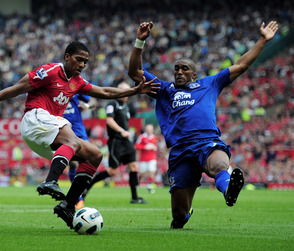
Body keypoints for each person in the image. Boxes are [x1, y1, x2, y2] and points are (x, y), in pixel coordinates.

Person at [0, 41, 160, 229]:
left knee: (94, 155)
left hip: (45, 133)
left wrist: (135, 91)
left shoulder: (77, 82)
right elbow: (17, 88)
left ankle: (68, 205)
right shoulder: (49, 71)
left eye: (86, 62)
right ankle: (51, 181)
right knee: (72, 137)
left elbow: (105, 92)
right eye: (79, 59)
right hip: (35, 118)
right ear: (67, 57)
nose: (82, 64)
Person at [128, 21, 278, 228]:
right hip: (180, 151)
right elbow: (135, 73)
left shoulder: (210, 83)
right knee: (179, 217)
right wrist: (140, 41)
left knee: (219, 165)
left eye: (185, 69)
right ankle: (186, 212)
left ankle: (228, 190)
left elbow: (241, 65)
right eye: (177, 69)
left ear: (194, 74)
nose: (179, 72)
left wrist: (262, 40)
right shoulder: (165, 89)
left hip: (206, 141)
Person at [82, 81, 148, 204]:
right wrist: (122, 131)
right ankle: (87, 187)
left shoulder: (127, 106)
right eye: (123, 91)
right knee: (113, 171)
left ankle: (135, 197)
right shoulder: (112, 104)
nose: (125, 94)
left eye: (127, 91)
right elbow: (109, 120)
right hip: (116, 141)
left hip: (126, 142)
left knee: (134, 166)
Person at [63, 93, 96, 209]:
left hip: (80, 131)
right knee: (73, 163)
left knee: (87, 162)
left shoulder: (75, 88)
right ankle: (78, 198)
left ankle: (78, 194)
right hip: (64, 132)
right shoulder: (55, 90)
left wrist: (87, 105)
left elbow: (93, 101)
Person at [135, 124, 158, 193]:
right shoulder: (141, 137)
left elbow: (156, 147)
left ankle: (150, 186)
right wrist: (144, 147)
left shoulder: (154, 137)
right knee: (142, 173)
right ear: (145, 130)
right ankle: (137, 182)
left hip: (152, 158)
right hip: (143, 158)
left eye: (150, 129)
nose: (149, 131)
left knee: (152, 170)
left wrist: (154, 148)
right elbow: (136, 146)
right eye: (148, 129)